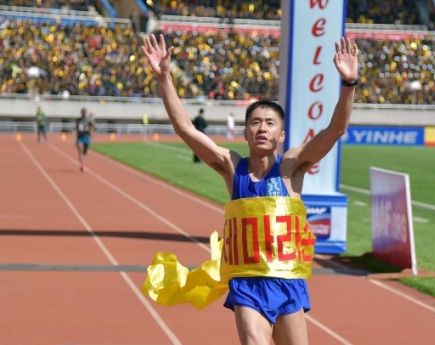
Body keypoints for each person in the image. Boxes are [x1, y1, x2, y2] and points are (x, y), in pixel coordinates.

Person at [141, 33, 358, 345]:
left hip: (287, 281)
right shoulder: (232, 166)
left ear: (281, 135)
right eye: (255, 122)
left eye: (270, 123)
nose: (262, 128)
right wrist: (164, 78)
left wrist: (349, 84)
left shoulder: (292, 166)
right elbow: (185, 129)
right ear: (245, 132)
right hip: (246, 283)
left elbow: (335, 129)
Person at [75, 107, 96, 172]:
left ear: (85, 113)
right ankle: (82, 165)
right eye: (82, 112)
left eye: (84, 112)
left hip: (86, 137)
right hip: (80, 137)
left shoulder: (88, 120)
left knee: (84, 152)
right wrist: (75, 127)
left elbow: (95, 127)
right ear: (81, 113)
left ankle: (82, 160)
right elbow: (77, 127)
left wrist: (89, 127)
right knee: (80, 151)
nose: (83, 113)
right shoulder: (78, 120)